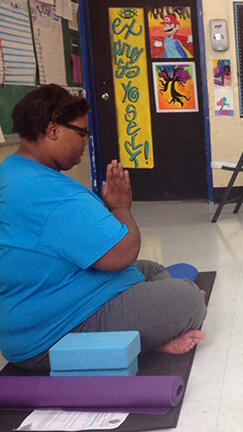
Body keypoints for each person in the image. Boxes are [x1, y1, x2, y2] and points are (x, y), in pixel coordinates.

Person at [0, 84, 206, 371]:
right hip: (52, 333)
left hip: (38, 308)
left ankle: (148, 331)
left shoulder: (11, 170)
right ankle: (150, 336)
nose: (86, 141)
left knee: (150, 269)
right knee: (189, 299)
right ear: (52, 129)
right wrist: (121, 207)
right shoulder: (50, 191)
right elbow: (122, 254)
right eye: (82, 133)